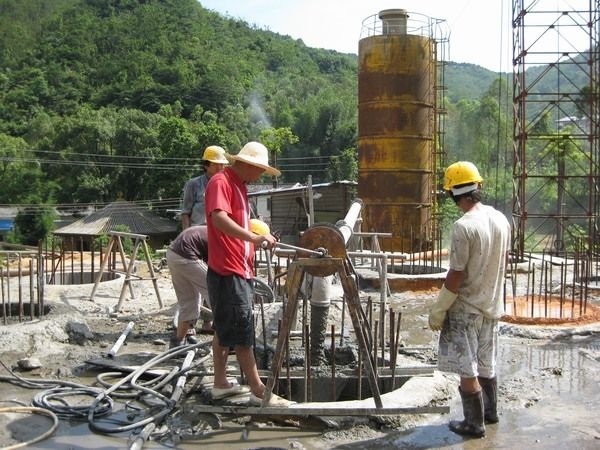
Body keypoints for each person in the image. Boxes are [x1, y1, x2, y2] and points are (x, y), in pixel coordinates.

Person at [204, 141, 291, 406]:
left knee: (223, 327)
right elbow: (219, 218)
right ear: (248, 164)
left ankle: (220, 383)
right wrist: (253, 239)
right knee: (242, 332)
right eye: (260, 170)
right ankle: (258, 389)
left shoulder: (240, 187)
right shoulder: (221, 182)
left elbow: (243, 227)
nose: (261, 175)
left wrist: (259, 237)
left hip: (237, 269)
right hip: (228, 270)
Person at [428, 161, 510, 438]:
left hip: (466, 308)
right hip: (492, 305)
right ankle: (490, 413)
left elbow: (456, 274)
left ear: (452, 193)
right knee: (487, 362)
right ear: (478, 186)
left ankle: (473, 424)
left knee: (468, 368)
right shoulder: (500, 219)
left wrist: (439, 309)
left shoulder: (464, 226)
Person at [165, 225, 213, 348]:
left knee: (189, 301)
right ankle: (228, 339)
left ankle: (177, 342)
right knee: (216, 291)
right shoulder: (224, 237)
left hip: (172, 254)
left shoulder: (209, 230)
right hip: (186, 255)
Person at [180, 145, 228, 229]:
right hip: (198, 232)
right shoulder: (193, 184)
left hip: (219, 233)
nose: (220, 167)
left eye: (222, 164)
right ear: (206, 165)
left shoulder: (227, 186)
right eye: (216, 164)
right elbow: (186, 213)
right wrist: (186, 235)